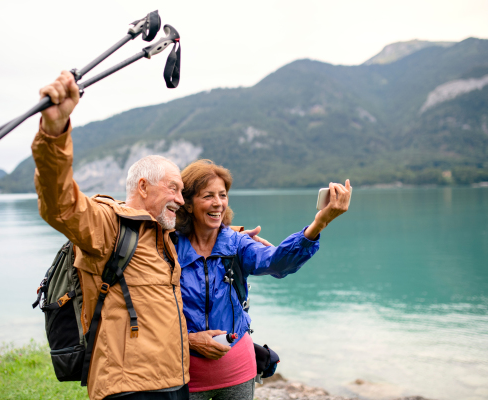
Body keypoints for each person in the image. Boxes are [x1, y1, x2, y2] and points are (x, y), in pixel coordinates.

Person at [32, 71, 190, 400]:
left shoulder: (161, 234)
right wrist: (54, 133)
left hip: (175, 382)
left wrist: (237, 237)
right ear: (143, 187)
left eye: (183, 191)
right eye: (173, 188)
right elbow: (60, 205)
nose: (181, 199)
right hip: (128, 389)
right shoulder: (109, 224)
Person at [174, 160, 351, 400]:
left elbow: (277, 263)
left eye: (223, 195)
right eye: (208, 196)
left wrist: (320, 222)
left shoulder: (237, 244)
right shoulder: (167, 246)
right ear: (188, 203)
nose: (218, 203)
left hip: (238, 371)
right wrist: (189, 340)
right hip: (183, 375)